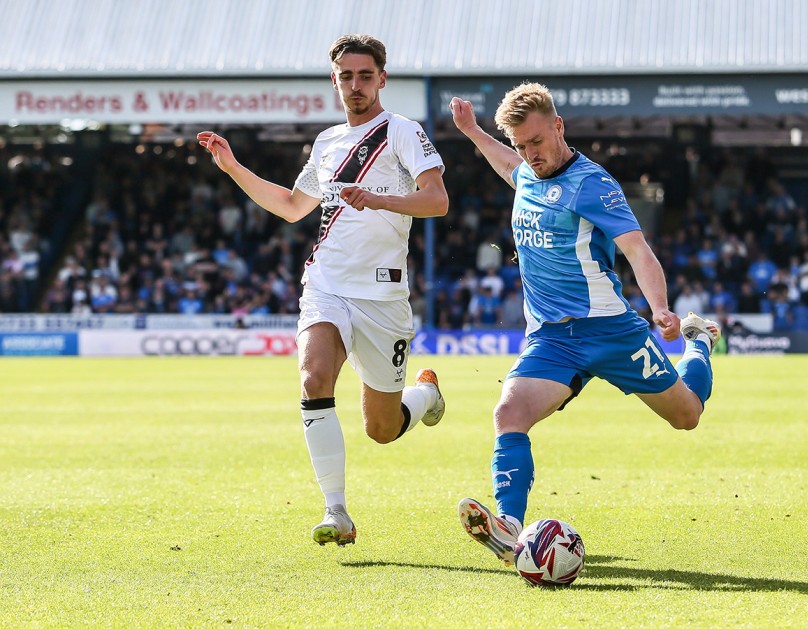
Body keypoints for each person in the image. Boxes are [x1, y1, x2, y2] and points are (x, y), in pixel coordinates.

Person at [448, 84, 720, 566]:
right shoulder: (527, 171)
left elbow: (637, 248)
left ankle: (699, 343)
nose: (530, 155)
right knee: (509, 414)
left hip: (611, 332)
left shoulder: (592, 184)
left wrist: (659, 308)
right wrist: (472, 132)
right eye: (521, 145)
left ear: (559, 126)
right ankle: (510, 528)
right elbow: (507, 164)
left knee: (687, 415)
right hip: (552, 339)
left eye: (537, 141)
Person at [197, 34, 448, 548]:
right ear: (334, 81)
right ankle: (336, 511)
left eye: (364, 75)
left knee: (381, 427)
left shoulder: (401, 132)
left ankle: (423, 397)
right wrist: (233, 167)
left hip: (382, 299)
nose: (355, 85)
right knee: (314, 378)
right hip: (326, 284)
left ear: (382, 77)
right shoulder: (327, 142)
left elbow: (437, 201)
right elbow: (292, 205)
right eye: (345, 76)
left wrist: (377, 198)